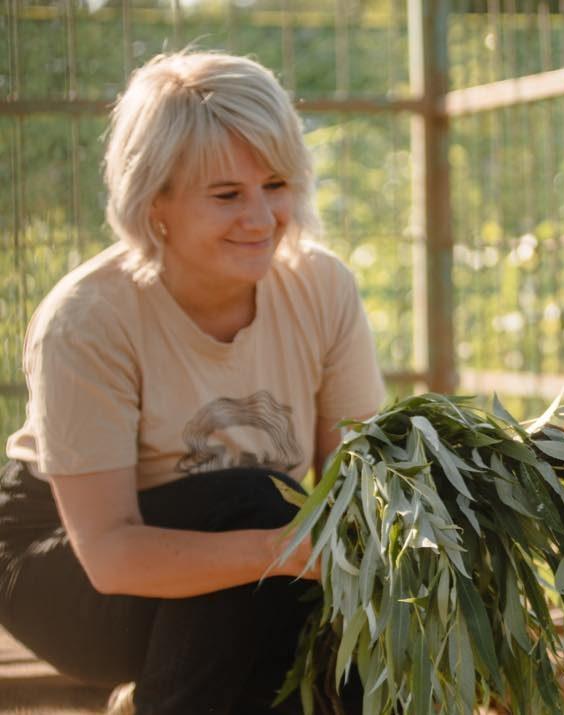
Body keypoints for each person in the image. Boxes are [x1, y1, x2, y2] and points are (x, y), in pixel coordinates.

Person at [0, 50, 385, 715]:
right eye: (228, 194)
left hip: (256, 541)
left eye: (276, 183)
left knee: (312, 586)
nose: (262, 218)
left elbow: (351, 478)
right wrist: (285, 550)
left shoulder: (323, 286)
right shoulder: (87, 319)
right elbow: (112, 556)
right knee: (259, 504)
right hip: (73, 567)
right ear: (157, 203)